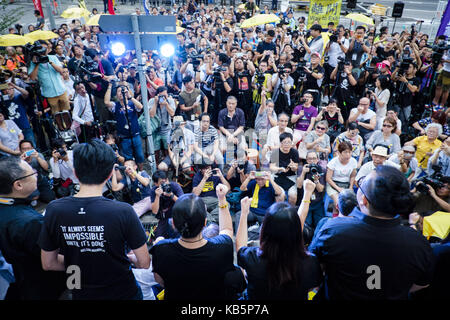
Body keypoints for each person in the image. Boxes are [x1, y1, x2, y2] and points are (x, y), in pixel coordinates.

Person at [39, 139, 151, 300]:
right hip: (121, 290)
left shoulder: (54, 209)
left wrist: (79, 261)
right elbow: (144, 262)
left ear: (76, 173)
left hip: (79, 288)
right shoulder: (123, 211)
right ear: (109, 174)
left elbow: (48, 263)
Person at [310, 166, 434, 300]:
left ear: (364, 200)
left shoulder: (333, 230)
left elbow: (313, 276)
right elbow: (421, 284)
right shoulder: (418, 243)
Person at [150, 184, 240, 300]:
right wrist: (222, 198)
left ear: (173, 224)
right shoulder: (222, 247)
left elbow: (160, 281)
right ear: (205, 223)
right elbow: (227, 230)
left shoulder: (161, 249)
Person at [236, 180, 323, 300]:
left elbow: (240, 247)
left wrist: (244, 214)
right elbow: (296, 227)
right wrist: (307, 194)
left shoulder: (253, 259)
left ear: (265, 229)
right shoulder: (310, 262)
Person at [0, 156, 65, 300]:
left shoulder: (9, 207)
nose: (36, 175)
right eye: (32, 173)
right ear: (18, 185)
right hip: (43, 286)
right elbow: (52, 260)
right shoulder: (29, 223)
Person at [104, 81, 146, 171]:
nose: (122, 92)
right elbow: (106, 102)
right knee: (128, 157)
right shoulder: (116, 105)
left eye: (124, 90)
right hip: (124, 137)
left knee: (140, 156)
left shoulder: (132, 103)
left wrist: (130, 97)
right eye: (119, 91)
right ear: (117, 94)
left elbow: (140, 107)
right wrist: (110, 86)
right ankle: (132, 174)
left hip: (135, 134)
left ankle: (141, 172)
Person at [28, 41, 71, 115]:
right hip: (49, 93)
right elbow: (32, 77)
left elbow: (61, 71)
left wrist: (50, 61)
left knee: (66, 113)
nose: (42, 52)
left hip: (61, 90)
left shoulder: (53, 57)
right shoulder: (33, 63)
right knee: (56, 114)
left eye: (44, 49)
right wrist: (37, 63)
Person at [290, 151, 326, 229]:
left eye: (314, 158)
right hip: (305, 201)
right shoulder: (301, 169)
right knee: (306, 225)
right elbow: (299, 186)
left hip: (317, 202)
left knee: (320, 224)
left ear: (317, 159)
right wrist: (303, 173)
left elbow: (320, 190)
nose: (312, 161)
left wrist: (316, 180)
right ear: (306, 159)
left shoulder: (321, 170)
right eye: (309, 159)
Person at [150, 170, 184, 239]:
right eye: (162, 182)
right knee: (158, 237)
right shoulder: (154, 191)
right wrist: (157, 196)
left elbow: (183, 203)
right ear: (156, 184)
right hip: (163, 218)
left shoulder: (175, 186)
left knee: (180, 235)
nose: (165, 184)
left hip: (176, 215)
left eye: (166, 181)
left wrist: (171, 195)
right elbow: (154, 212)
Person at [326, 141, 357, 215]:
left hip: (346, 184)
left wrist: (350, 186)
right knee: (338, 203)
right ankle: (336, 219)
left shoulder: (353, 161)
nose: (348, 155)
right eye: (345, 152)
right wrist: (338, 188)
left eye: (350, 152)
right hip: (333, 184)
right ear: (339, 153)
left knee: (350, 203)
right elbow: (328, 179)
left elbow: (353, 176)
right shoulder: (333, 162)